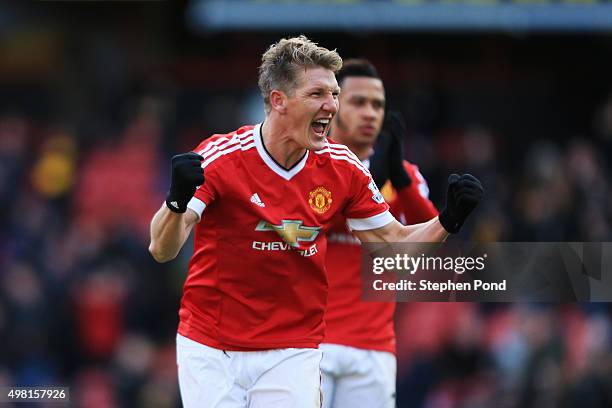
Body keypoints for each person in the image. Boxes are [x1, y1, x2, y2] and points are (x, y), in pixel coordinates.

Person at [149, 36, 483, 408]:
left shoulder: (344, 169)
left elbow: (394, 245)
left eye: (335, 94)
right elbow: (162, 250)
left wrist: (448, 220)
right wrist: (175, 202)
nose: (332, 106)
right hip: (211, 347)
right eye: (317, 94)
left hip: (293, 350)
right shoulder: (221, 158)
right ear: (279, 100)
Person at [321, 59, 438, 408]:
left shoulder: (407, 177)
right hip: (310, 343)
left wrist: (400, 184)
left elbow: (430, 251)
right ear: (333, 105)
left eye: (378, 105)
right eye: (358, 102)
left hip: (373, 349)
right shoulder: (305, 166)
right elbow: (300, 233)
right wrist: (369, 187)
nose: (370, 113)